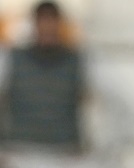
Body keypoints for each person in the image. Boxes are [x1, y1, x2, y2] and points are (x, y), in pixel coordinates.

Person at [0, 1, 84, 152]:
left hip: (65, 153)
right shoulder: (11, 59)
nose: (47, 28)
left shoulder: (78, 61)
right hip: (20, 152)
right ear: (35, 24)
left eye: (52, 21)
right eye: (43, 21)